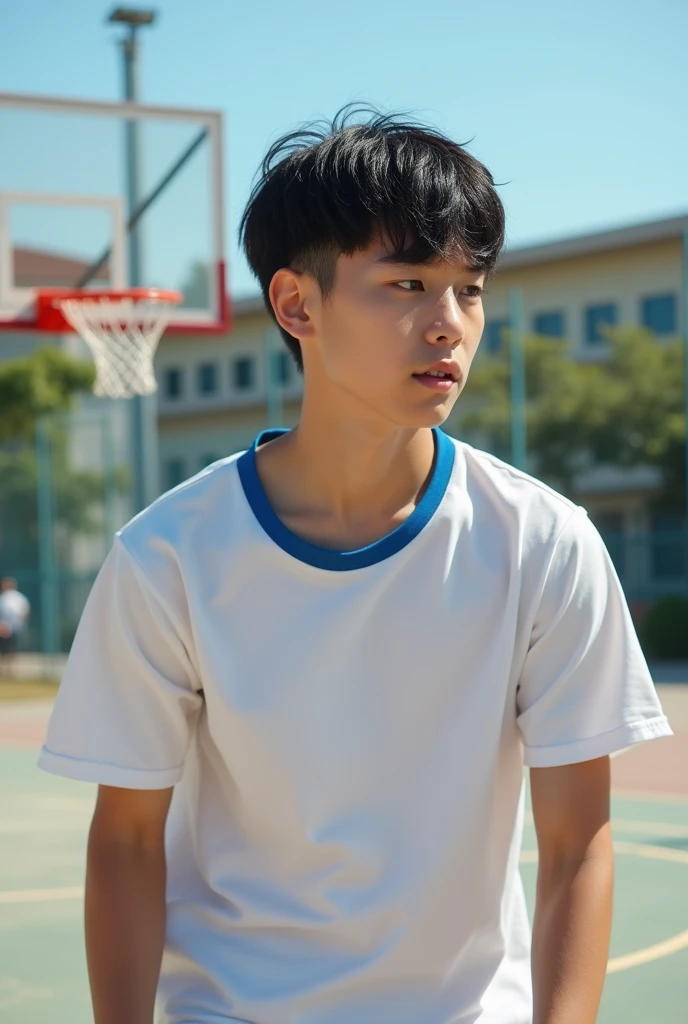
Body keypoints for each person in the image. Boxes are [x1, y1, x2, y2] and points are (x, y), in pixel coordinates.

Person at [38, 105, 672, 1024]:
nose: (449, 323)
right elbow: (127, 846)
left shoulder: (543, 541)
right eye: (409, 283)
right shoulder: (168, 557)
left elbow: (577, 841)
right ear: (298, 304)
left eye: (470, 288)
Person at [0, 577, 30, 676]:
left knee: (12, 649)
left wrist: (16, 625)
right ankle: (3, 670)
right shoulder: (3, 598)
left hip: (15, 628)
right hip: (3, 628)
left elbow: (24, 612)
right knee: (4, 650)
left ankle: (12, 671)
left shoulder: (19, 598)